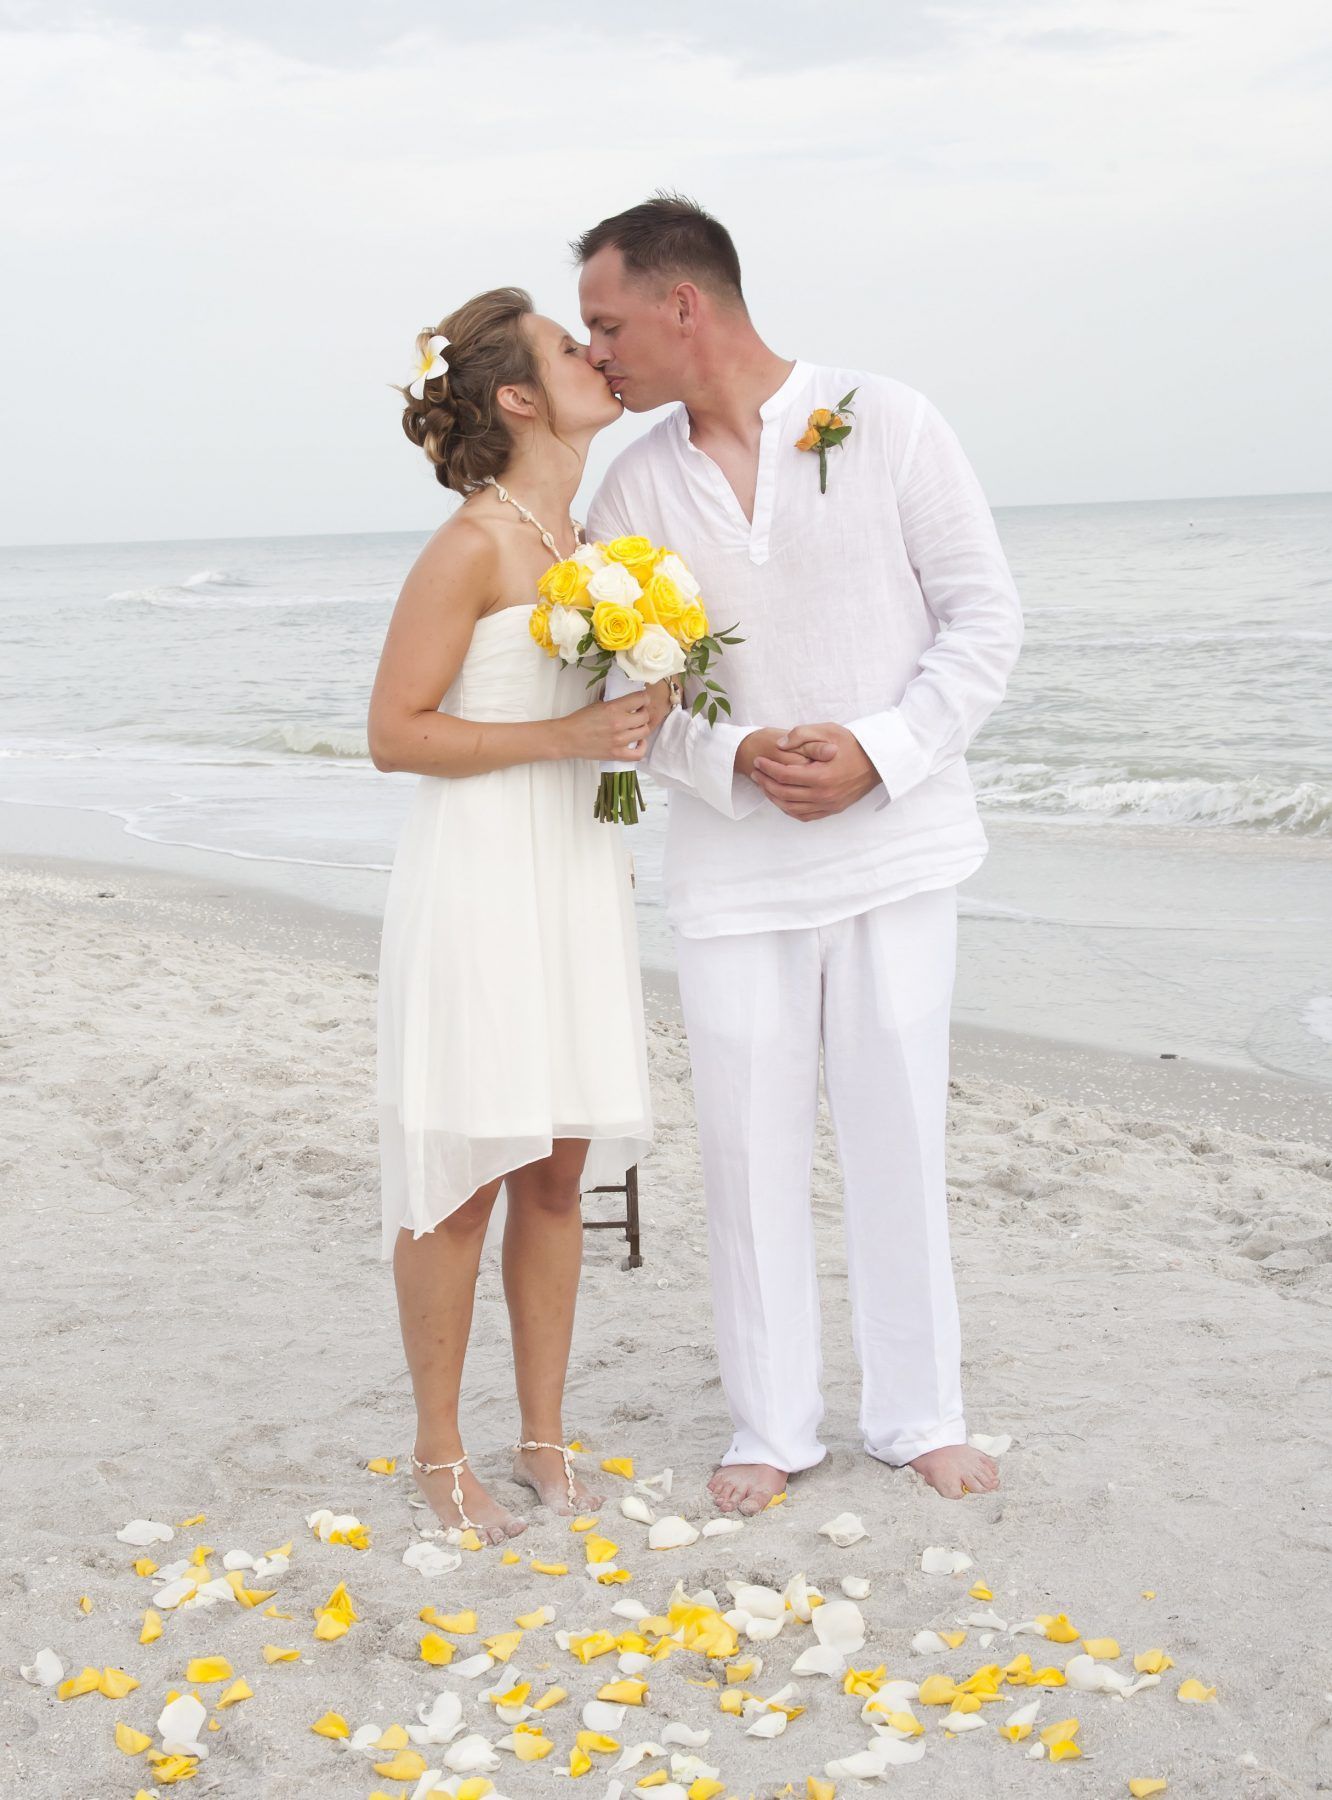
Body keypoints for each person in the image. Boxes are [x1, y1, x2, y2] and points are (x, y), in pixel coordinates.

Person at [577, 195, 1023, 1512]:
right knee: (747, 1146)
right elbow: (618, 692)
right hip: (730, 872)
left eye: (608, 324)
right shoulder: (632, 486)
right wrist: (733, 758)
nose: (599, 352)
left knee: (898, 1134)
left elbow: (985, 619)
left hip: (900, 848)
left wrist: (883, 747)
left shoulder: (885, 421)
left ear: (683, 304)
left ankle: (919, 1413)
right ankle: (770, 1425)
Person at [369, 286, 667, 1542]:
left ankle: (544, 1435)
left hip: (574, 871)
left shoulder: (591, 547)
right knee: (466, 1174)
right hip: (484, 875)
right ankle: (439, 1449)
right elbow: (393, 734)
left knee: (558, 1170)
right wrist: (571, 732)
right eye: (567, 348)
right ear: (515, 397)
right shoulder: (474, 545)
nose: (596, 357)